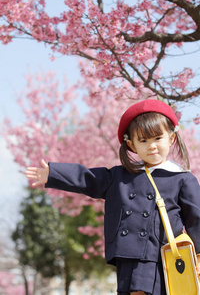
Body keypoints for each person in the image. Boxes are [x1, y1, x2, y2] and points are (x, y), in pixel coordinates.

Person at [25, 99, 200, 295]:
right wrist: (53, 174)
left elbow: (196, 220)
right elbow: (88, 178)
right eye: (143, 140)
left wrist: (199, 257)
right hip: (126, 255)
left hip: (162, 255)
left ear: (171, 138)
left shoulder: (182, 178)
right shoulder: (119, 176)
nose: (151, 146)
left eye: (157, 138)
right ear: (131, 144)